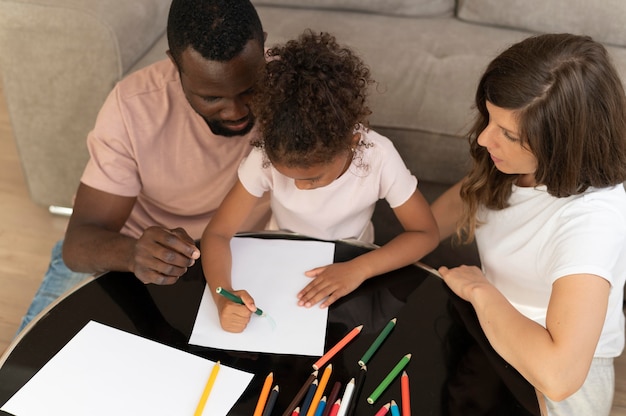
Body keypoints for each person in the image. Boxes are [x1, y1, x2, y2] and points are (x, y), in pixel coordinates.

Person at [16, 0, 270, 334]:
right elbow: (77, 244)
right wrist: (135, 253)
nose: (236, 111)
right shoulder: (133, 106)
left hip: (243, 255)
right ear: (174, 64)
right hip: (140, 256)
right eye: (211, 97)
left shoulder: (295, 87)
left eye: (249, 90)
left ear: (264, 47)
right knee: (32, 373)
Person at [431, 33, 626, 415]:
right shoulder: (513, 165)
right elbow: (429, 226)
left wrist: (483, 292)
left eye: (508, 134)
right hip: (492, 329)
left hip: (557, 372)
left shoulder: (593, 221)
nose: (485, 138)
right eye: (490, 118)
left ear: (562, 144)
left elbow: (559, 375)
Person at [201, 30, 440, 333]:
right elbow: (218, 234)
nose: (300, 187)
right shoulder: (263, 157)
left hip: (353, 262)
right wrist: (224, 296)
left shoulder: (377, 157)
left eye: (312, 178)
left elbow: (425, 233)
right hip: (281, 260)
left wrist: (359, 269)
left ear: (351, 142)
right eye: (288, 176)